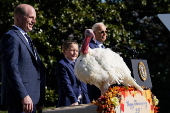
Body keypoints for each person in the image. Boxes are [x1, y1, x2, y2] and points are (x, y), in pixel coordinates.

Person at [0, 4, 46, 113]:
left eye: (35, 18)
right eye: (31, 17)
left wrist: (39, 98)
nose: (34, 21)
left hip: (33, 100)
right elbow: (11, 68)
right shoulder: (11, 37)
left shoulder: (26, 38)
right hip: (21, 101)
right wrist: (24, 95)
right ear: (19, 17)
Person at [55, 40, 90, 107]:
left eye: (77, 51)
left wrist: (87, 100)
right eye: (72, 50)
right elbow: (66, 84)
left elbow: (83, 83)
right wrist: (74, 100)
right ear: (64, 51)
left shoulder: (80, 63)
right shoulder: (62, 64)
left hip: (82, 100)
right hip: (69, 101)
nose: (75, 53)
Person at [87, 22, 107, 102]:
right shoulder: (90, 46)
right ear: (94, 33)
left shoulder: (103, 47)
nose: (104, 34)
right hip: (94, 85)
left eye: (106, 32)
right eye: (102, 32)